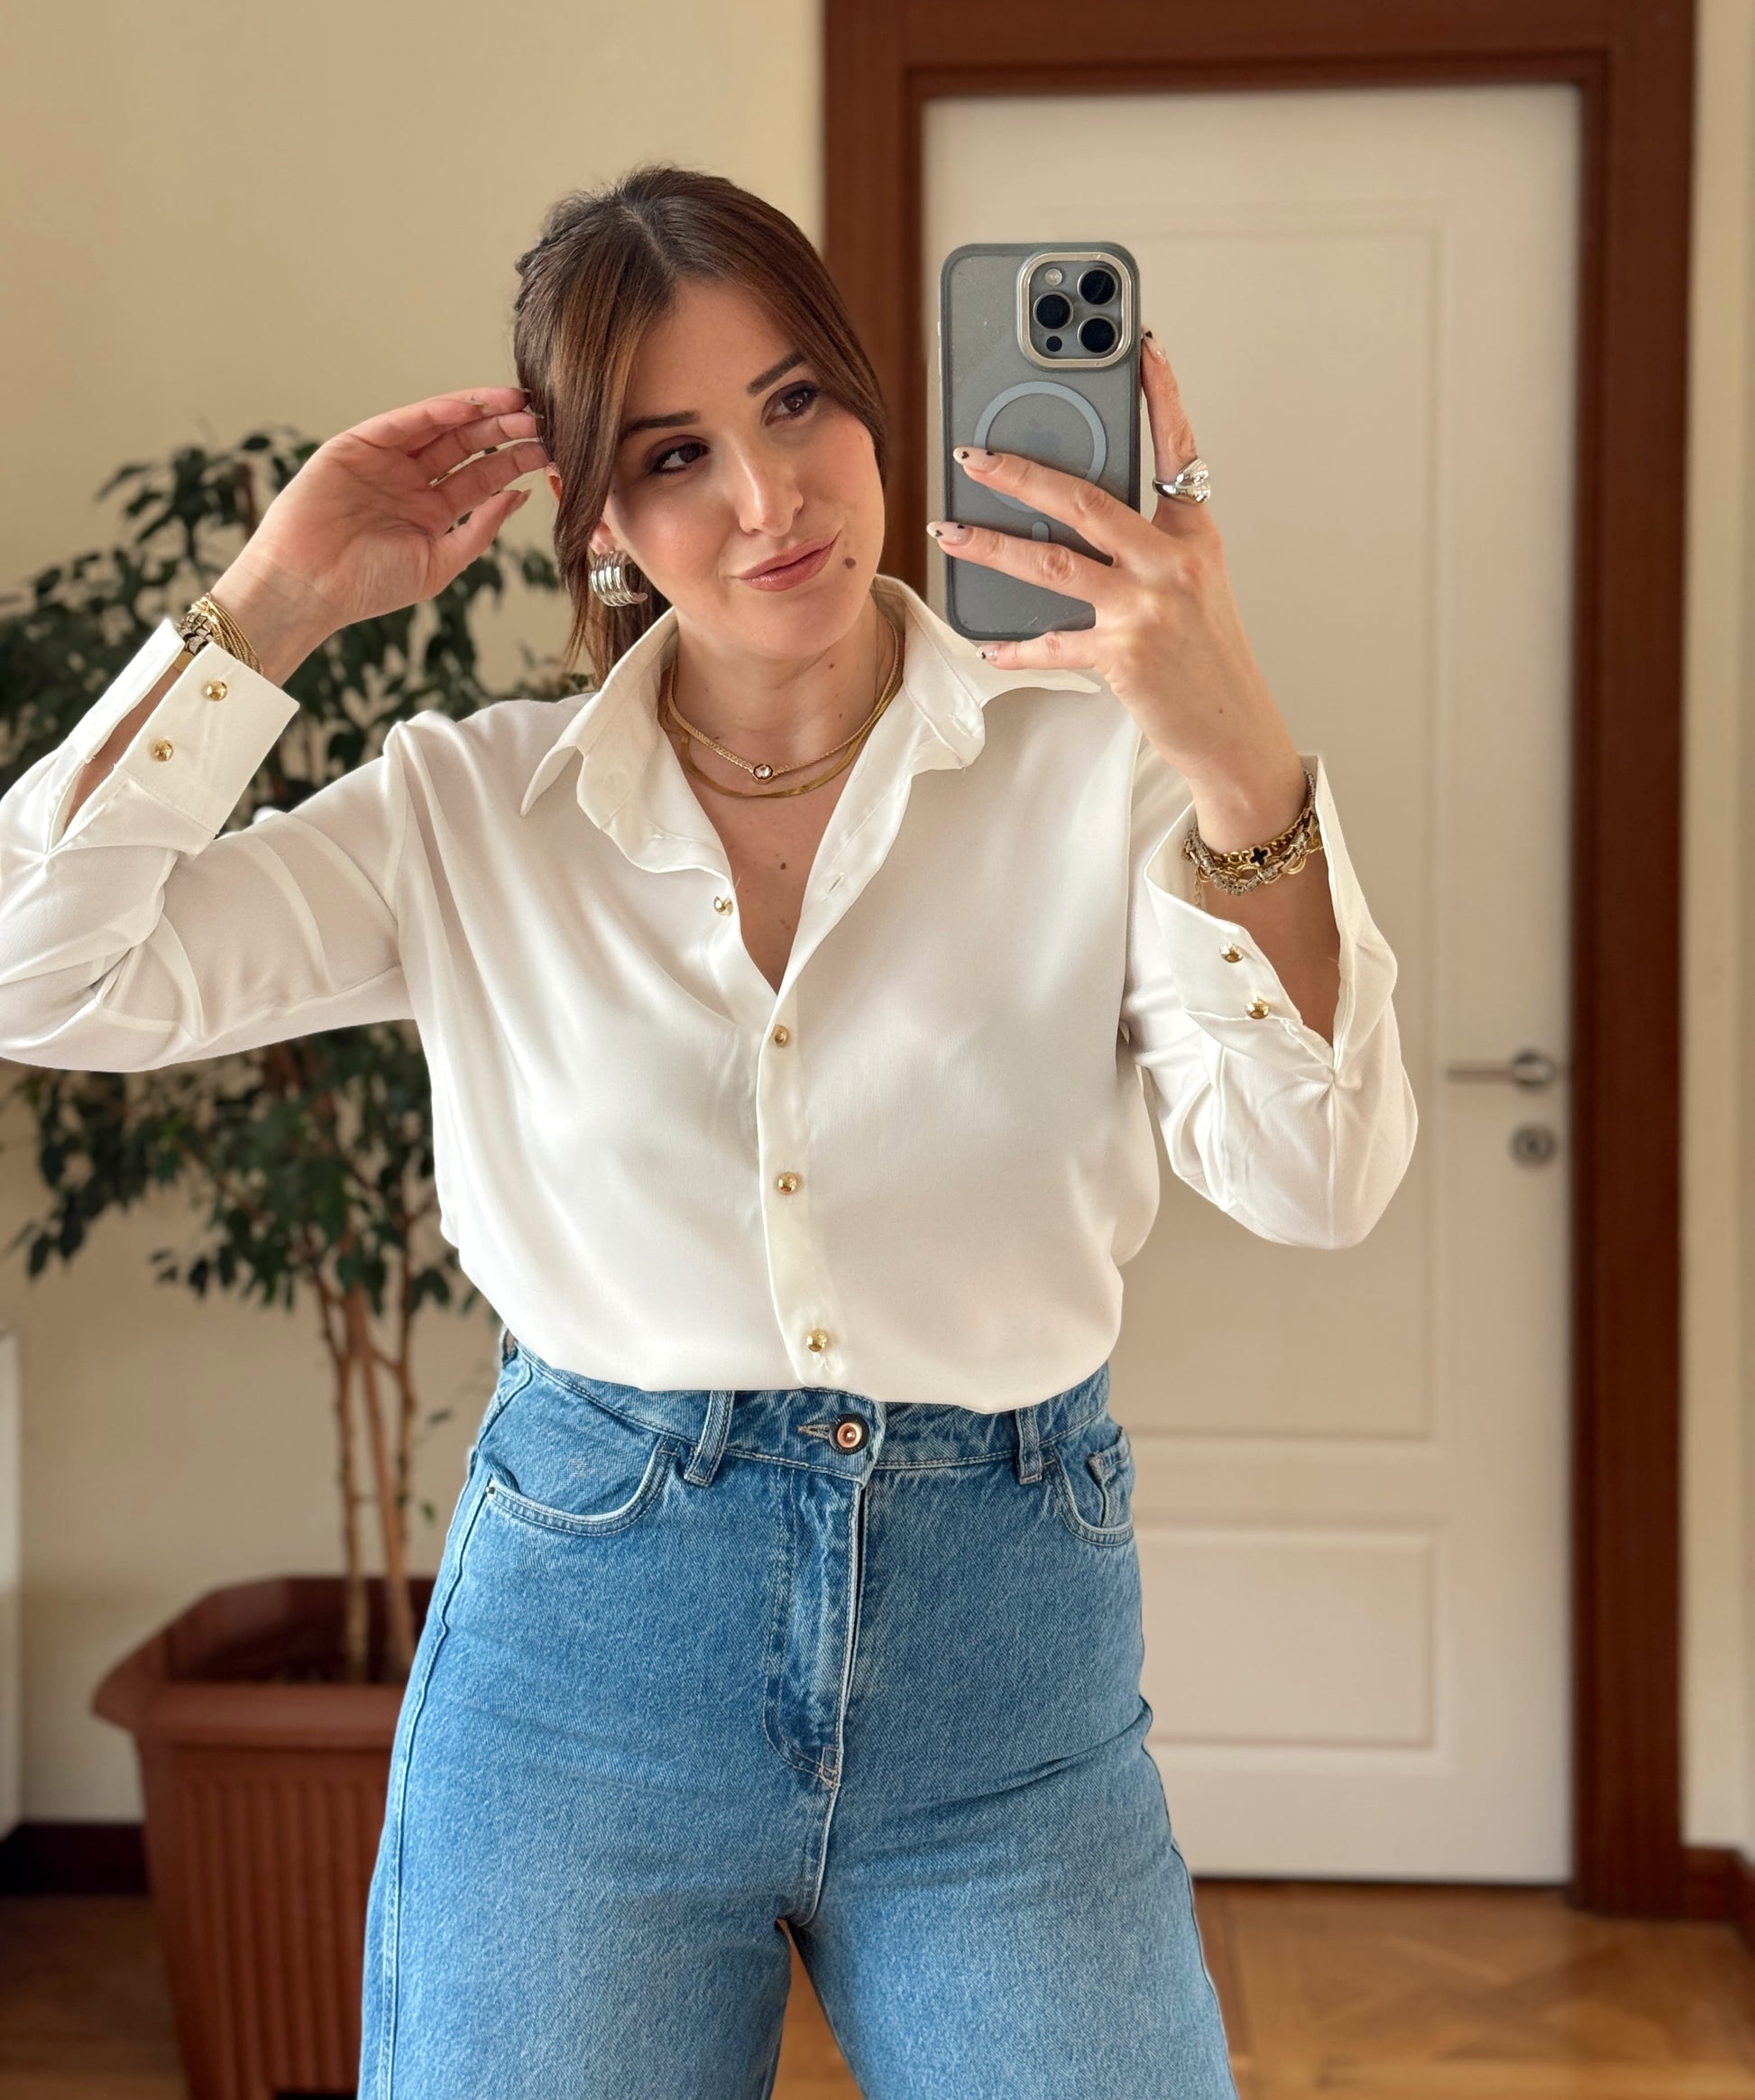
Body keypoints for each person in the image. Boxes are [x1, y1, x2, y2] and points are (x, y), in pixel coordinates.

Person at [0, 165, 1416, 2098]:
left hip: (1005, 1676)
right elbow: (44, 975)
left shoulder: (1099, 771)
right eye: (672, 454)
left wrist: (1234, 737)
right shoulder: (468, 810)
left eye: (795, 402)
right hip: (583, 1669)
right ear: (594, 518)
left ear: (870, 399)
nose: (767, 497)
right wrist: (273, 600)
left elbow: (1316, 1180)